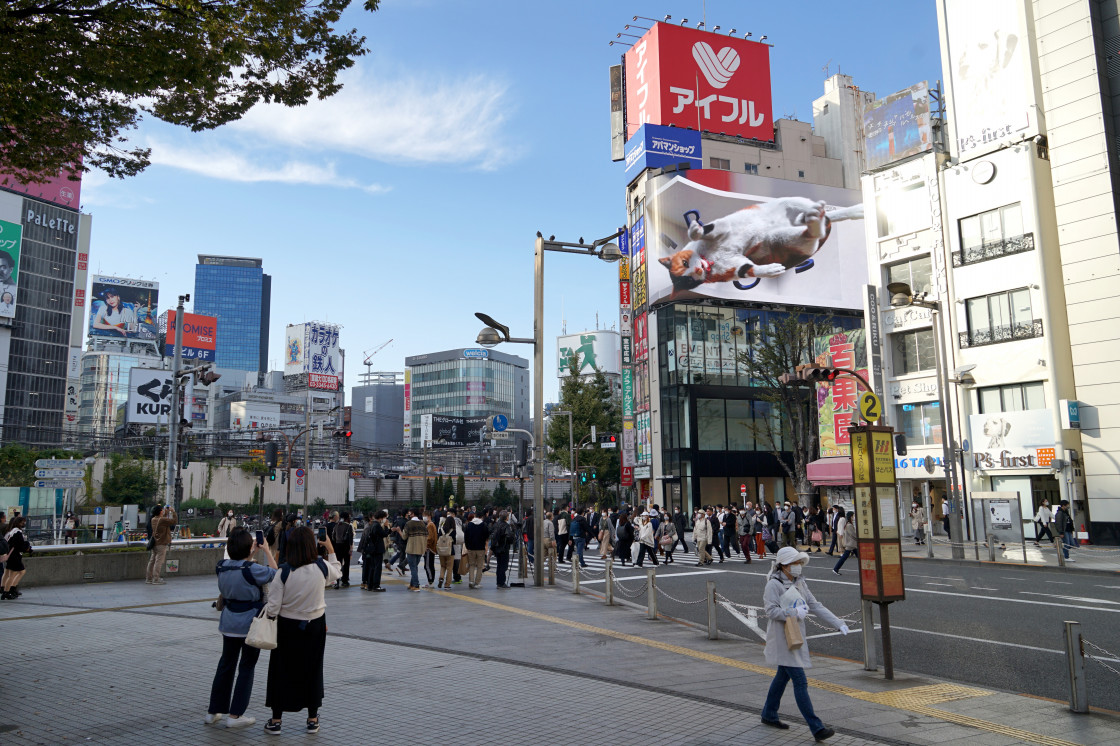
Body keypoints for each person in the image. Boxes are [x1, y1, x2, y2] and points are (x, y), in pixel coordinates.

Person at [760, 546, 847, 741]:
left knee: (782, 677)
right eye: (794, 563)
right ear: (783, 566)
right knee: (800, 681)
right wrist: (793, 613)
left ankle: (768, 714)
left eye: (799, 562)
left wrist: (838, 622)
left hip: (794, 637)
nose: (798, 566)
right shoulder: (773, 585)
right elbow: (771, 611)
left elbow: (815, 604)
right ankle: (817, 728)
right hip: (783, 638)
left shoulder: (799, 582)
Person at [263, 526, 341, 735]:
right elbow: (338, 573)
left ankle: (276, 720)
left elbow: (273, 607)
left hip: (287, 627)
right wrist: (330, 548)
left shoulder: (285, 572)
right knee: (313, 670)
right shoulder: (322, 567)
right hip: (315, 626)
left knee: (281, 671)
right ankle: (312, 719)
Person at [205, 527, 278, 729]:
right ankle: (235, 715)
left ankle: (213, 711)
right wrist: (265, 551)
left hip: (228, 623)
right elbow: (277, 574)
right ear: (249, 547)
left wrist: (248, 554)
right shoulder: (253, 569)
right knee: (246, 667)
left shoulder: (222, 566)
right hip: (250, 625)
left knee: (225, 666)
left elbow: (239, 565)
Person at [357, 510, 388, 591]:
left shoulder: (372, 525)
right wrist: (387, 527)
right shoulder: (377, 525)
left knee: (372, 567)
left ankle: (370, 585)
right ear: (381, 518)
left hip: (372, 549)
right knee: (377, 568)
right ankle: (376, 585)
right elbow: (384, 534)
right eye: (384, 517)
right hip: (377, 549)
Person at [2, 516, 31, 599]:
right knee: (18, 572)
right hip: (15, 556)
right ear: (19, 523)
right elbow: (20, 545)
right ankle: (8, 591)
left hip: (10, 555)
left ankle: (6, 590)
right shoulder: (17, 533)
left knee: (8, 573)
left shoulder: (10, 531)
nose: (24, 524)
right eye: (23, 522)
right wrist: (27, 547)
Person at [146, 505, 176, 585]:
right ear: (160, 512)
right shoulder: (162, 519)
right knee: (158, 561)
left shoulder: (153, 519)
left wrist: (165, 513)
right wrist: (173, 512)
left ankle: (149, 578)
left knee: (152, 561)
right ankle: (156, 579)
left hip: (155, 543)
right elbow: (174, 521)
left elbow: (163, 521)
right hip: (161, 543)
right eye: (162, 510)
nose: (163, 511)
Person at [401, 510, 428, 591]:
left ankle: (416, 585)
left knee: (413, 567)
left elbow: (404, 537)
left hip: (411, 548)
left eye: (410, 513)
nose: (409, 514)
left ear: (413, 514)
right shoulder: (423, 523)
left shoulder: (408, 523)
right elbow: (426, 535)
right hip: (421, 548)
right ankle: (412, 584)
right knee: (415, 567)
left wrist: (400, 531)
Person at [489, 510, 514, 588]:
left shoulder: (496, 524)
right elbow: (509, 537)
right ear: (506, 517)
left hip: (497, 548)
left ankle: (498, 582)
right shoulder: (506, 526)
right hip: (504, 547)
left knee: (499, 565)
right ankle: (502, 582)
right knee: (504, 566)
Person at [463, 511, 488, 589]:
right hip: (480, 548)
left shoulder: (469, 525)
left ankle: (471, 581)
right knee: (480, 566)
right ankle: (477, 583)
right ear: (481, 517)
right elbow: (486, 536)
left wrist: (467, 546)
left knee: (472, 565)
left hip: (471, 548)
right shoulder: (483, 525)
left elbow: (466, 536)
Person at [332, 511, 354, 588]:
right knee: (346, 563)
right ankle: (345, 580)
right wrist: (350, 548)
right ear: (346, 518)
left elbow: (333, 537)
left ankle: (336, 582)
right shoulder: (348, 526)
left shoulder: (337, 525)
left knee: (338, 563)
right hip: (346, 546)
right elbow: (350, 539)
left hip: (338, 546)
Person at [437, 513, 456, 589]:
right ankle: (447, 584)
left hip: (441, 551)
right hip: (450, 551)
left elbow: (438, 538)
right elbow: (454, 541)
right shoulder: (453, 531)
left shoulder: (441, 530)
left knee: (442, 566)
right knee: (449, 568)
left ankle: (441, 578)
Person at [422, 509, 437, 588]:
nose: (424, 517)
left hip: (429, 549)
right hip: (432, 548)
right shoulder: (431, 524)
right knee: (430, 565)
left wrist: (426, 546)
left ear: (429, 516)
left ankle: (430, 581)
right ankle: (431, 581)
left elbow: (430, 538)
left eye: (425, 516)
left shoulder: (430, 525)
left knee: (427, 565)